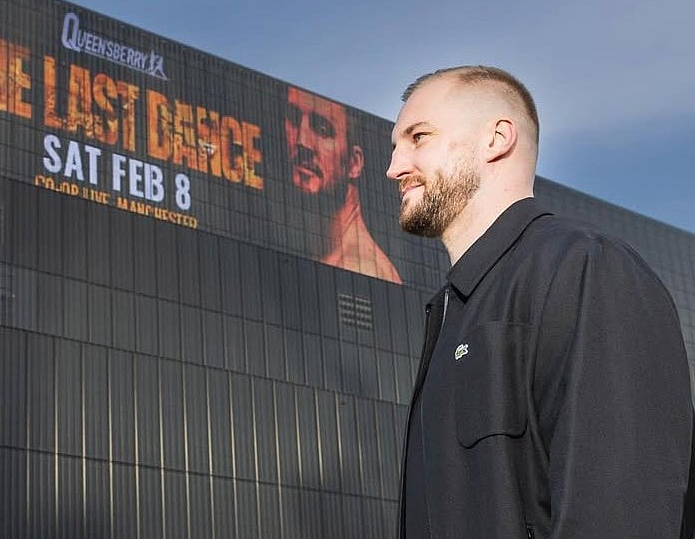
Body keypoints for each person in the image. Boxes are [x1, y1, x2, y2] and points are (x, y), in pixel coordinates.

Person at [388, 65, 694, 538]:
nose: (394, 167)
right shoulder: (450, 317)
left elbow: (623, 513)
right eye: (396, 147)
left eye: (418, 137)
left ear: (497, 139)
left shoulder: (586, 268)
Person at [286, 86, 402, 283]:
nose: (302, 141)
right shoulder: (321, 253)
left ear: (353, 163)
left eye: (323, 130)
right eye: (294, 119)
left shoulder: (361, 269)